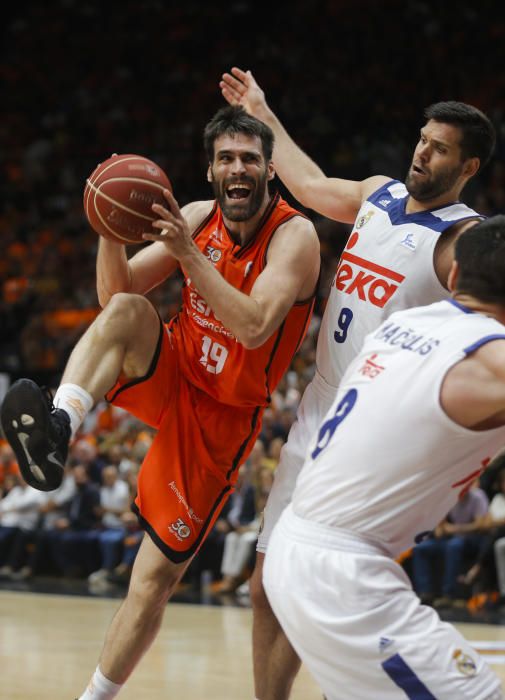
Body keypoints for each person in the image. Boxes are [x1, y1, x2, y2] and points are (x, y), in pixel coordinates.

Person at [0, 105, 320, 699]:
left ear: (270, 171)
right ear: (210, 172)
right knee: (127, 311)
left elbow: (253, 328)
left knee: (152, 579)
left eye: (250, 158)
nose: (238, 167)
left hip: (221, 417)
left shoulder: (293, 236)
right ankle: (59, 425)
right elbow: (112, 294)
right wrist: (109, 230)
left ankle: (94, 697)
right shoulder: (196, 217)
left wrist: (189, 256)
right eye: (226, 158)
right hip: (173, 367)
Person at [220, 67, 496, 699]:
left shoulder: (464, 240)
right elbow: (312, 184)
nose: (422, 152)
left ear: (469, 166)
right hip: (320, 403)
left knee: (344, 577)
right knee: (268, 584)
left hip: (375, 424)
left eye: (440, 148)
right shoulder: (380, 194)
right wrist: (262, 111)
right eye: (423, 140)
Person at [263, 216, 505, 700]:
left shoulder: (403, 323)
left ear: (453, 278)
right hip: (344, 575)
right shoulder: (489, 361)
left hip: (295, 551)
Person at [411, 481, 489, 607]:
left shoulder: (478, 496)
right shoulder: (449, 497)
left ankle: (449, 594)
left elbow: (481, 525)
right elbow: (441, 529)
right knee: (421, 548)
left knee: (454, 545)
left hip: (473, 539)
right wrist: (442, 528)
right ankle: (425, 592)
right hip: (452, 539)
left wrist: (454, 528)